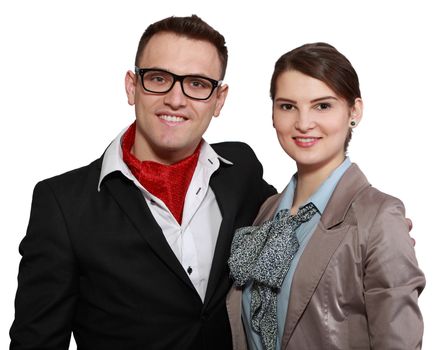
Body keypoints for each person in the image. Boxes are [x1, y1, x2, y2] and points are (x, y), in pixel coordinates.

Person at [9, 15, 276, 349]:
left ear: (218, 99)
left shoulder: (241, 171)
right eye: (159, 78)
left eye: (196, 84)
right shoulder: (64, 204)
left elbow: (302, 230)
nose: (176, 100)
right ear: (132, 87)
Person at [227, 42, 425, 350]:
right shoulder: (267, 210)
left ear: (354, 111)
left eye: (322, 106)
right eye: (287, 106)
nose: (303, 123)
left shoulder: (379, 217)